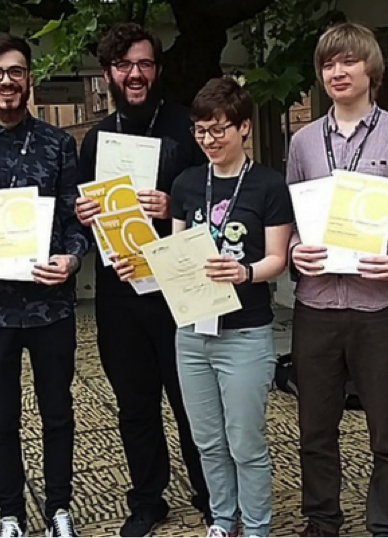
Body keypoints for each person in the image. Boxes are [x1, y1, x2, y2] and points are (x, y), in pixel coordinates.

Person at [115, 78, 293, 538]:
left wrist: (245, 273)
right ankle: (223, 519)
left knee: (245, 442)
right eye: (200, 131)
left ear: (244, 128)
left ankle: (255, 527)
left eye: (219, 130)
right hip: (191, 330)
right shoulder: (188, 183)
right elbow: (175, 253)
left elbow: (278, 257)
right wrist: (137, 264)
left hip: (245, 331)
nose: (210, 140)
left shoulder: (269, 185)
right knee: (207, 440)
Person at [286, 23, 388, 538]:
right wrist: (292, 251)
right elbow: (291, 220)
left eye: (347, 61)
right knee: (314, 430)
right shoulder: (303, 141)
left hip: (382, 307)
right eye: (328, 64)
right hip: (318, 307)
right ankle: (322, 520)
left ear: (371, 68)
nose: (337, 72)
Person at [0, 32, 89, 538]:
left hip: (52, 306)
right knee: (1, 417)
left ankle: (59, 509)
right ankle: (10, 513)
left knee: (58, 413)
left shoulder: (56, 143)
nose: (7, 82)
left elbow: (76, 220)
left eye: (16, 72)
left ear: (30, 79)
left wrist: (72, 260)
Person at [74, 22, 211, 537]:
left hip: (179, 286)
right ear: (109, 72)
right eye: (125, 65)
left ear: (157, 68)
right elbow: (81, 218)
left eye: (145, 64)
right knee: (134, 403)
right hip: (120, 288)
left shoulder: (185, 127)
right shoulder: (95, 140)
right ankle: (148, 499)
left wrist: (177, 205)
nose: (136, 74)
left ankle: (208, 490)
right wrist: (84, 214)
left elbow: (217, 203)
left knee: (191, 399)